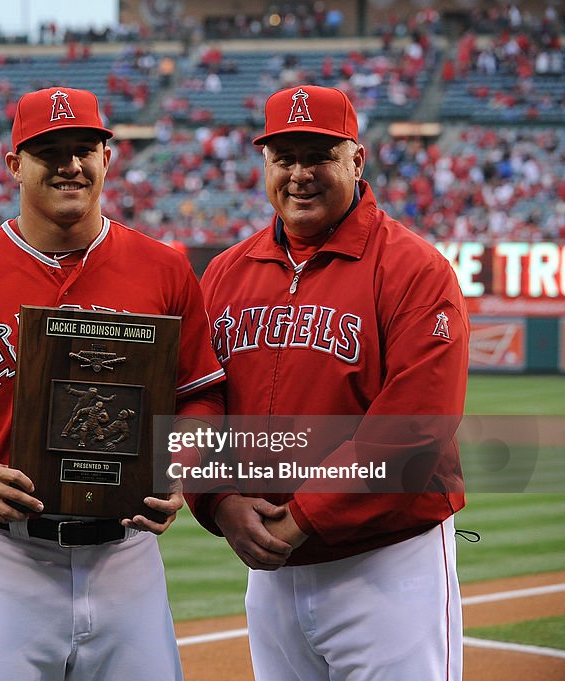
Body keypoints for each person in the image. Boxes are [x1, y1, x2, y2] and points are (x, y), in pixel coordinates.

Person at [0, 86, 226, 680]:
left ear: (108, 157)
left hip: (126, 554)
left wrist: (176, 462)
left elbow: (200, 395)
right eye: (49, 150)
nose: (70, 164)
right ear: (15, 164)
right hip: (9, 554)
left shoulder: (164, 268)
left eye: (85, 147)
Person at [196, 84, 469, 680]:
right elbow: (196, 399)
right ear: (265, 163)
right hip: (272, 574)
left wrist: (298, 521)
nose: (300, 175)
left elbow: (415, 427)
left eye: (318, 156)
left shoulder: (413, 268)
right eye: (284, 157)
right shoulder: (225, 273)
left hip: (388, 566)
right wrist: (217, 500)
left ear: (355, 159)